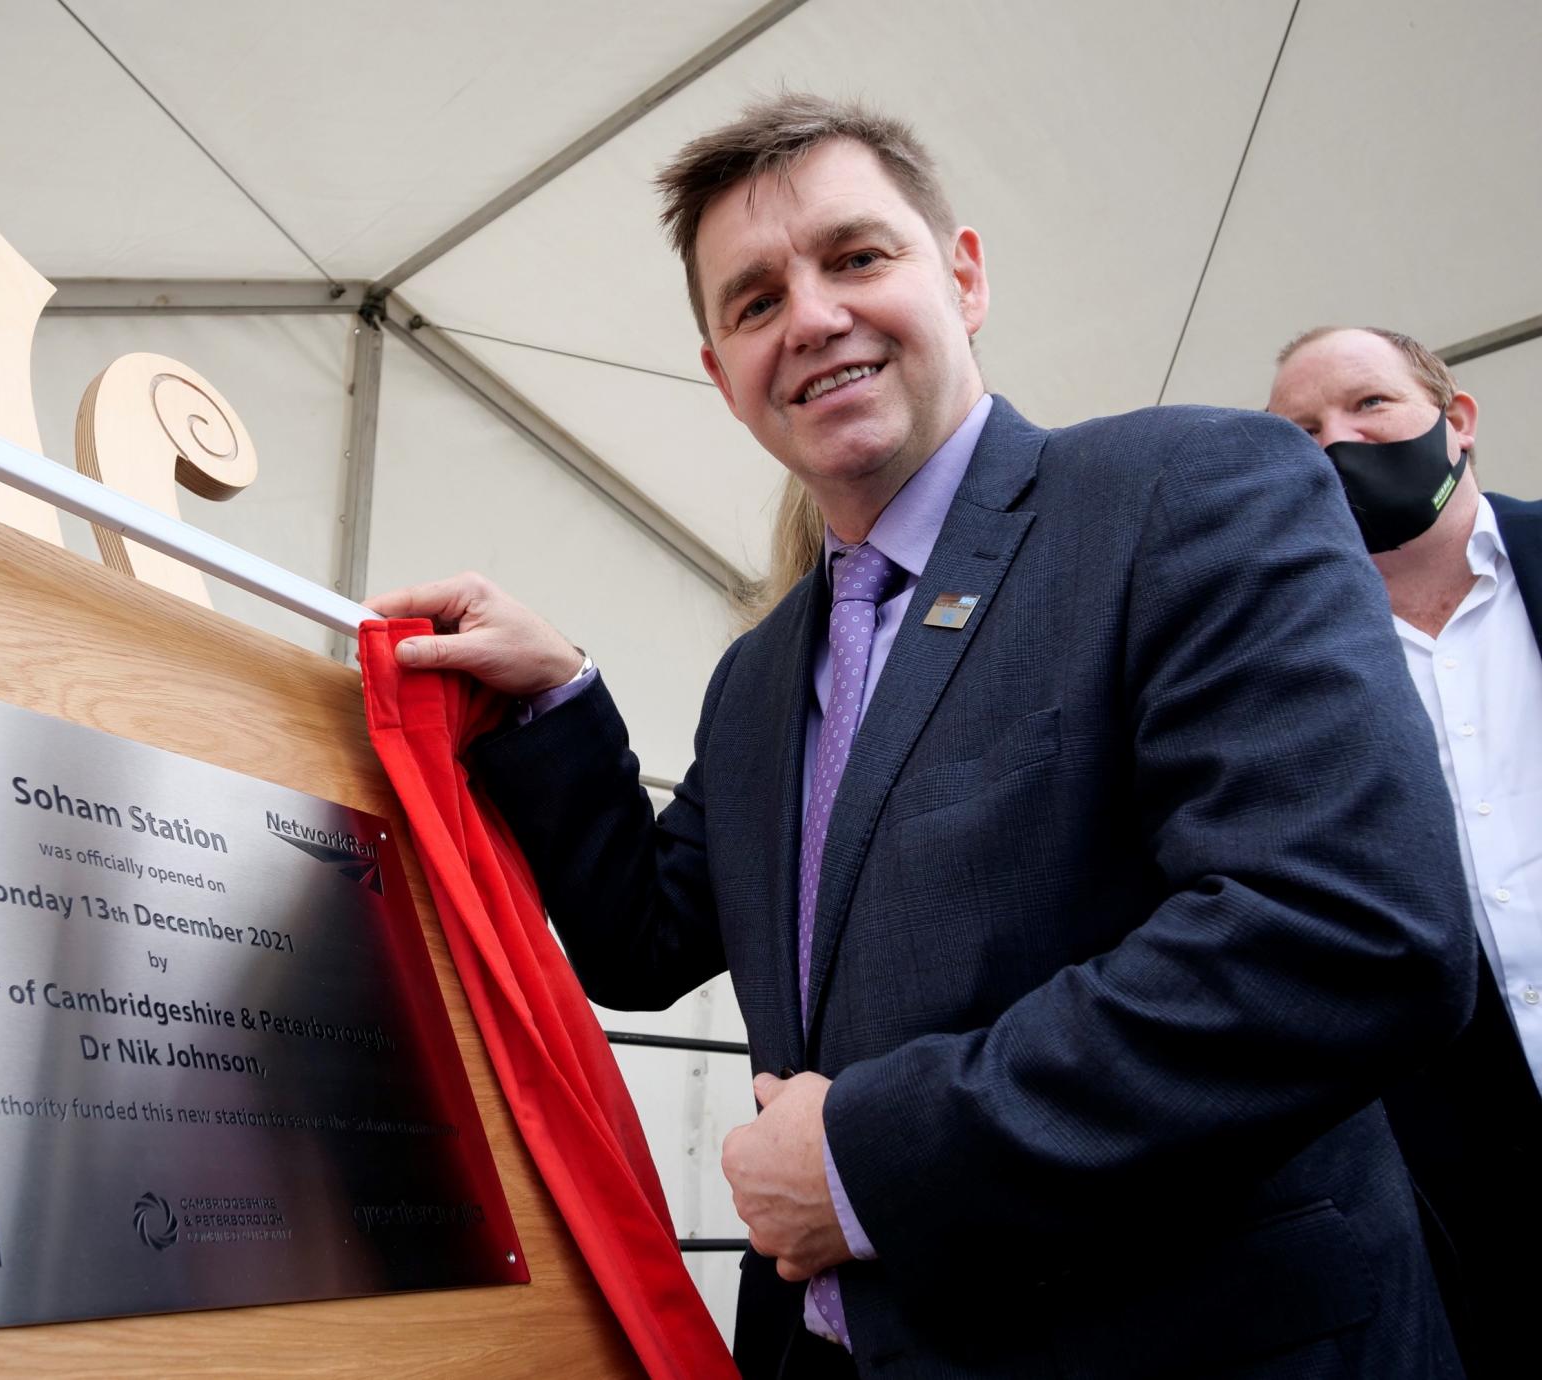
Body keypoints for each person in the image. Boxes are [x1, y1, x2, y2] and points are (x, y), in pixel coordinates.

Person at [369, 96, 1474, 1377]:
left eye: (854, 257)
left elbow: (1346, 934)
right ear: (724, 380)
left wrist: (862, 1159)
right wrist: (558, 702)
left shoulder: (1187, 491)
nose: (813, 318)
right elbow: (643, 941)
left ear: (961, 275)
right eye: (753, 302)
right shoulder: (756, 678)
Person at [1269, 325, 1542, 1379]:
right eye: (1298, 433)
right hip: (1452, 1184)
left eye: (1367, 406)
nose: (1335, 445)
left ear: (1455, 422)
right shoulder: (1277, 667)